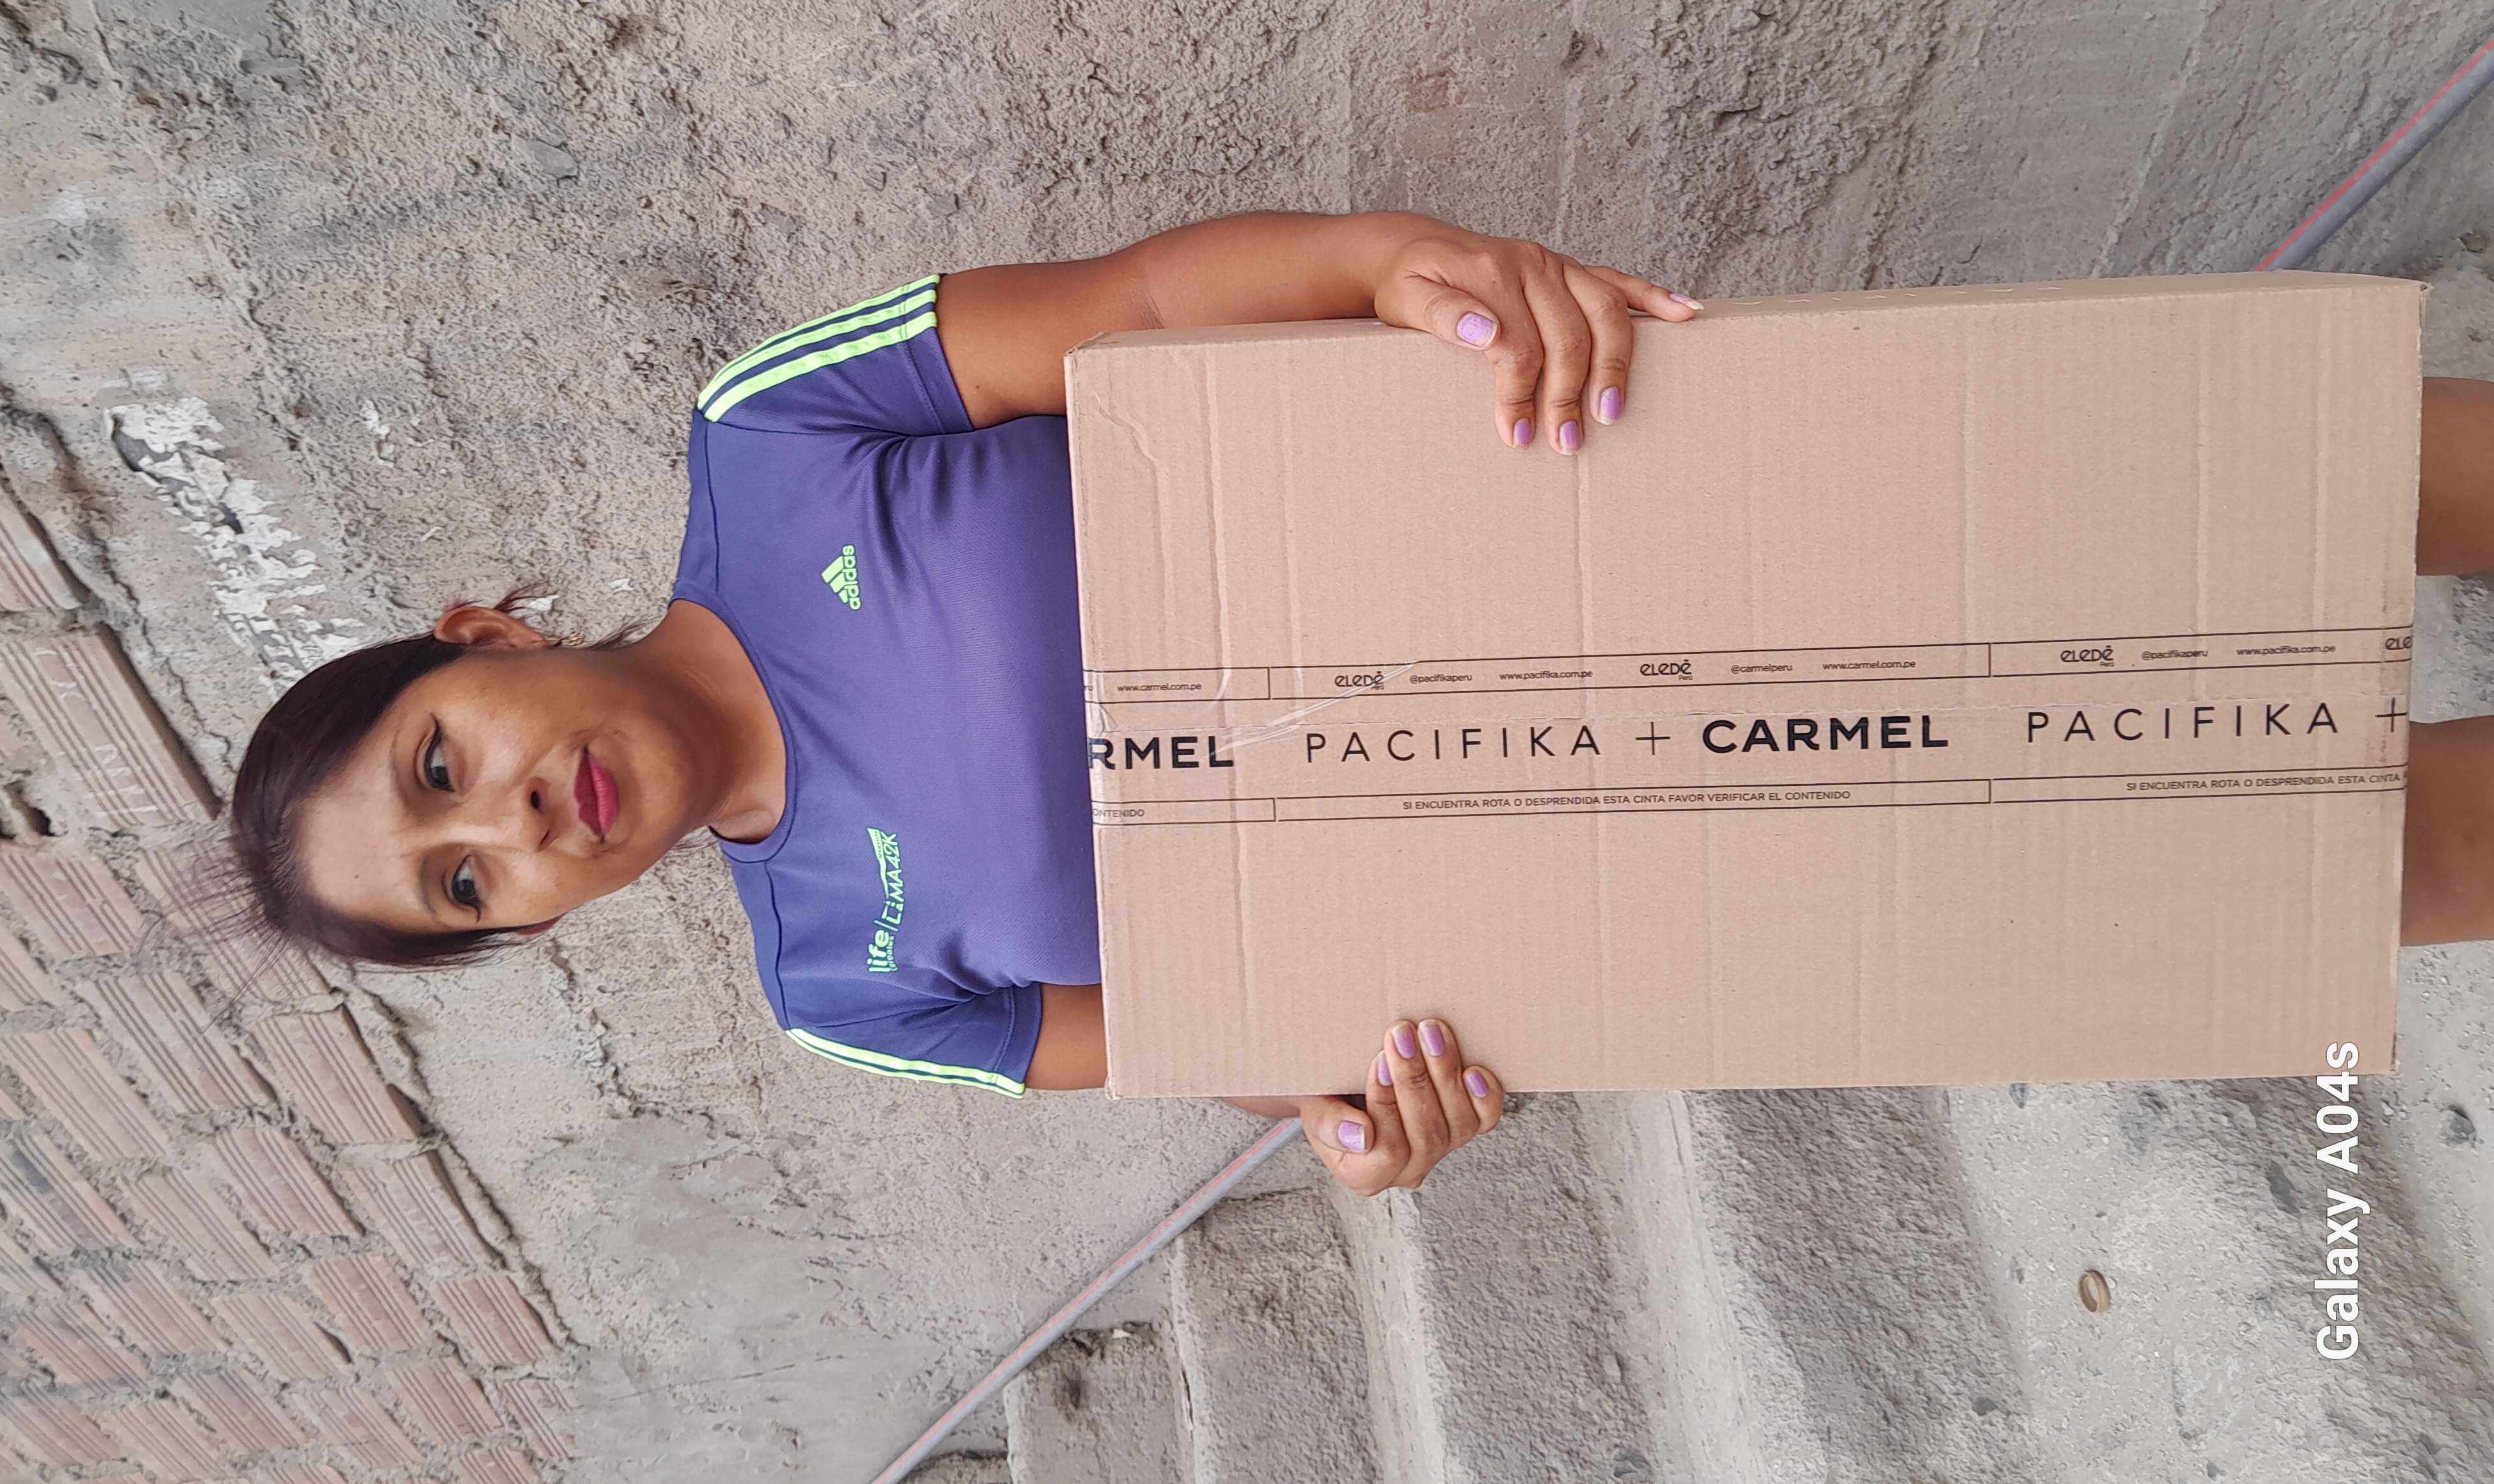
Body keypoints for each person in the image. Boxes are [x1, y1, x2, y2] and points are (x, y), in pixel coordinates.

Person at [208, 209, 2491, 1198]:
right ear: (532, 928)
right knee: (2279, 868)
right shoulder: (844, 981)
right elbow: (1219, 1026)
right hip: (1704, 840)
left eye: (441, 766)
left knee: (2237, 483)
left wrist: (1396, 267)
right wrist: (1357, 1111)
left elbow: (1139, 307)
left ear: (475, 632)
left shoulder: (774, 436)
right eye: (464, 885)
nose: (511, 823)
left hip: (1685, 532)